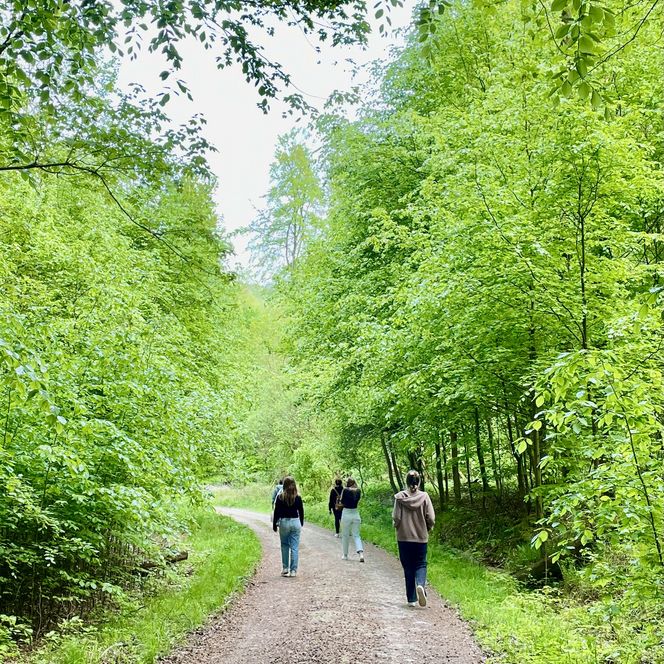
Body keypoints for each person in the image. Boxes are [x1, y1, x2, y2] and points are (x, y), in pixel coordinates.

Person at [392, 469, 435, 607]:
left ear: (406, 482)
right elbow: (431, 517)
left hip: (404, 537)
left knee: (408, 566)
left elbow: (396, 517)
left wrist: (396, 526)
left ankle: (411, 600)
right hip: (421, 537)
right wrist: (429, 527)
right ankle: (420, 584)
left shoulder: (400, 498)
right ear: (419, 482)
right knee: (421, 563)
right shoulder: (424, 497)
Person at [272, 476, 304, 577]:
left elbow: (276, 512)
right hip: (295, 522)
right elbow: (301, 511)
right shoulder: (298, 497)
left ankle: (285, 568)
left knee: (285, 545)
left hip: (284, 522)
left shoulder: (280, 497)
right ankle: (293, 570)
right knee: (294, 547)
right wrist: (301, 522)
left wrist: (274, 524)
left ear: (284, 485)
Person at [339, 477, 364, 562]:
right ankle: (361, 554)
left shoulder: (345, 490)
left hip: (346, 513)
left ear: (348, 483)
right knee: (356, 535)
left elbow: (342, 501)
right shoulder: (358, 491)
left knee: (345, 535)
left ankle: (345, 555)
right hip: (355, 513)